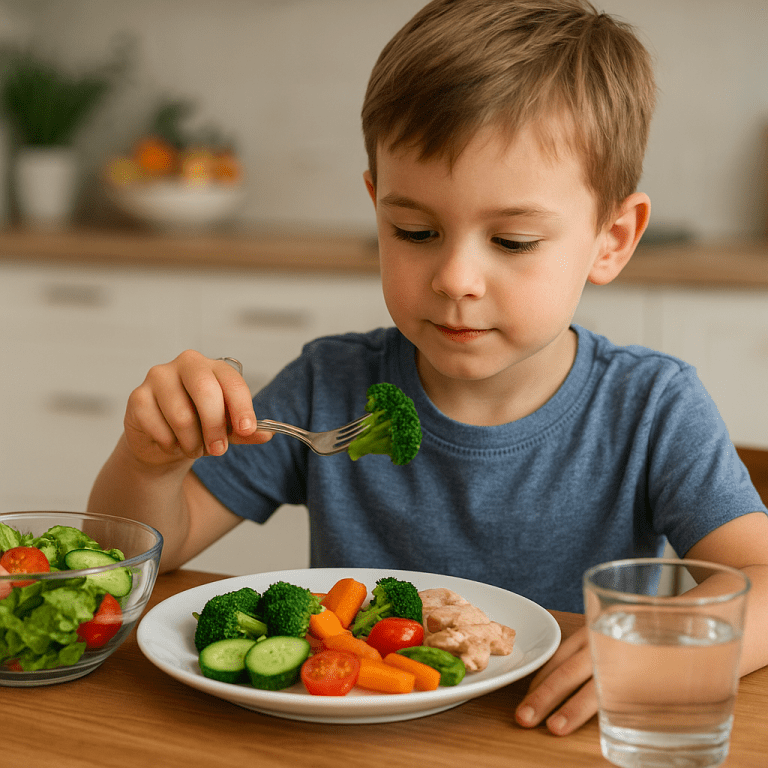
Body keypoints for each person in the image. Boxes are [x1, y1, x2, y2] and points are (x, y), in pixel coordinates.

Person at [88, 0, 768, 737]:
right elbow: (135, 557)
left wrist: (655, 647)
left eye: (511, 241)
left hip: (545, 738)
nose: (455, 278)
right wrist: (150, 461)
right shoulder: (329, 383)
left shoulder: (651, 407)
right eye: (415, 231)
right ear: (377, 205)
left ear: (611, 239)